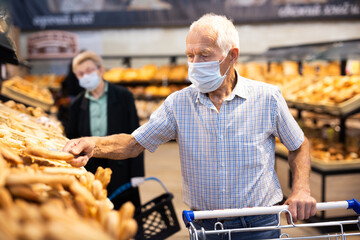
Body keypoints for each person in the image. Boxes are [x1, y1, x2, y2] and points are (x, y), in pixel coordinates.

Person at [64, 14, 316, 239]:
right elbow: (132, 144)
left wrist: (301, 189)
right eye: (190, 56)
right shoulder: (178, 103)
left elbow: (299, 144)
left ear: (232, 55)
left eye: (204, 55)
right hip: (205, 225)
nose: (195, 64)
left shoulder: (267, 98)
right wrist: (93, 144)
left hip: (259, 224)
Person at [65, 50, 144, 211]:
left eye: (89, 71)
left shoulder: (123, 96)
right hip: (90, 165)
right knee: (97, 209)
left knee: (124, 210)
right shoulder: (77, 104)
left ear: (100, 70)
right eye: (80, 74)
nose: (85, 76)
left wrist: (137, 171)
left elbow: (136, 134)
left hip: (121, 163)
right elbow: (71, 136)